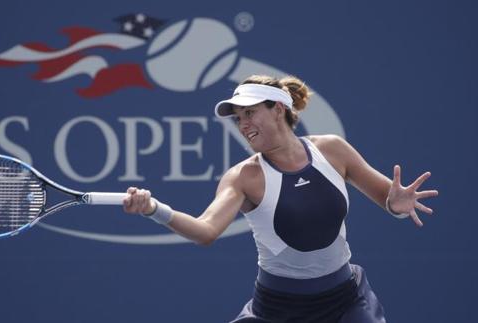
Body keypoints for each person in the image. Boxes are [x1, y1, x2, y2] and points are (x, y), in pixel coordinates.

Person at [122, 75, 438, 322]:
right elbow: (205, 231)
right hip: (276, 310)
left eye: (249, 113)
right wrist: (153, 209)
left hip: (346, 302)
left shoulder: (332, 149)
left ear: (279, 109)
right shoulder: (242, 177)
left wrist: (397, 206)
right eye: (237, 119)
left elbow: (389, 199)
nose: (243, 124)